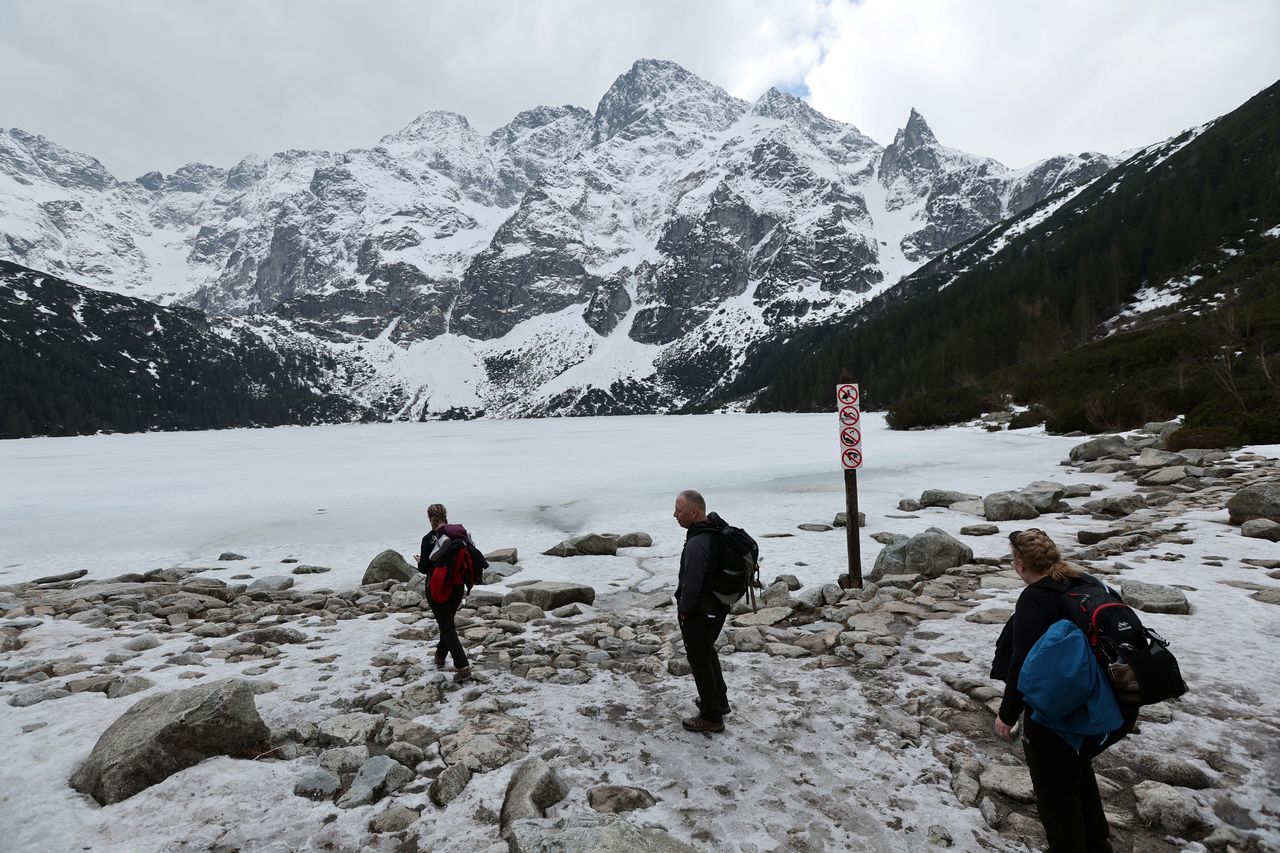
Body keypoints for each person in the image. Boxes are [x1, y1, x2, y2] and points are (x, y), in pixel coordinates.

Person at [993, 528, 1137, 853]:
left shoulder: (1034, 597)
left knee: (1055, 794)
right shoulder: (1086, 581)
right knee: (1075, 771)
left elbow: (1022, 661)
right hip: (1111, 707)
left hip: (1064, 716)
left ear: (1019, 565)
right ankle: (1097, 845)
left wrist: (1007, 714)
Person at [673, 489, 732, 733]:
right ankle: (719, 702)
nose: (674, 515)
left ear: (694, 512)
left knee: (699, 659)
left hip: (702, 610)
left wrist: (684, 611)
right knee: (707, 652)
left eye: (679, 510)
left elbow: (692, 583)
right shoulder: (712, 532)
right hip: (717, 607)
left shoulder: (698, 542)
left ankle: (711, 717)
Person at [414, 503, 482, 683]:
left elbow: (423, 568)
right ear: (446, 516)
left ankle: (463, 667)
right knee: (448, 623)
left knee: (447, 627)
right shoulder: (461, 534)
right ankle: (439, 656)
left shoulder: (429, 539)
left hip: (437, 587)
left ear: (429, 518)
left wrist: (421, 561)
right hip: (457, 586)